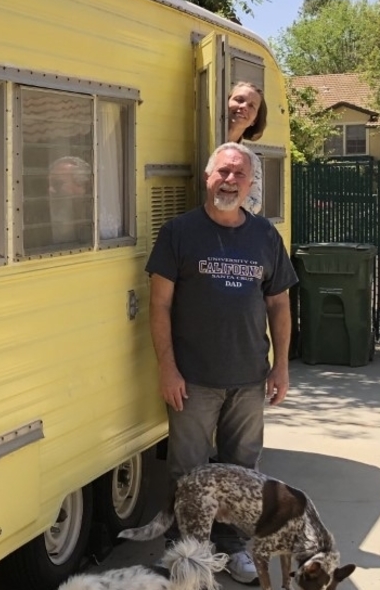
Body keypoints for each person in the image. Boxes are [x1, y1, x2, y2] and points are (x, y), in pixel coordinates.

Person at [146, 141, 297, 584]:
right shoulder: (179, 232)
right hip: (192, 379)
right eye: (223, 173)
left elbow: (280, 305)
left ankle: (233, 549)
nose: (230, 181)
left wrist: (281, 365)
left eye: (239, 175)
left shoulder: (265, 235)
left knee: (242, 473)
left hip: (249, 377)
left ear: (251, 184)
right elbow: (159, 306)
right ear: (208, 176)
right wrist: (168, 368)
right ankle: (185, 554)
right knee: (187, 473)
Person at [226, 82, 267, 215]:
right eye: (239, 100)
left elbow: (255, 206)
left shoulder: (251, 161)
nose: (243, 107)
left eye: (251, 106)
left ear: (254, 120)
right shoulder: (203, 140)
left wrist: (227, 190)